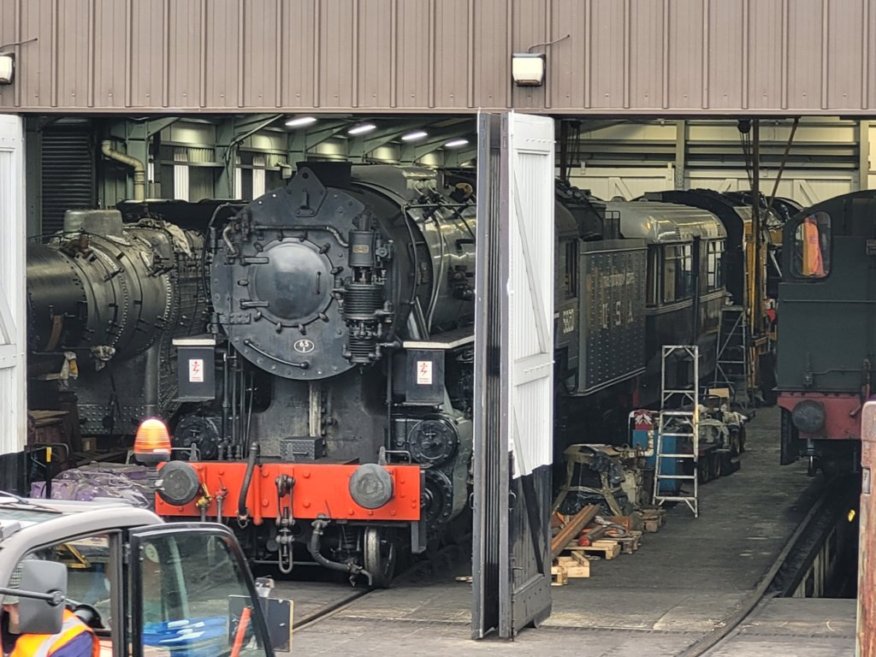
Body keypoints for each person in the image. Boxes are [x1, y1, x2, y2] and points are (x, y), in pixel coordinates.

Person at [1, 567, 98, 657]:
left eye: (28, 602)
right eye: (15, 604)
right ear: (6, 606)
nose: (28, 609)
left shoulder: (71, 637)